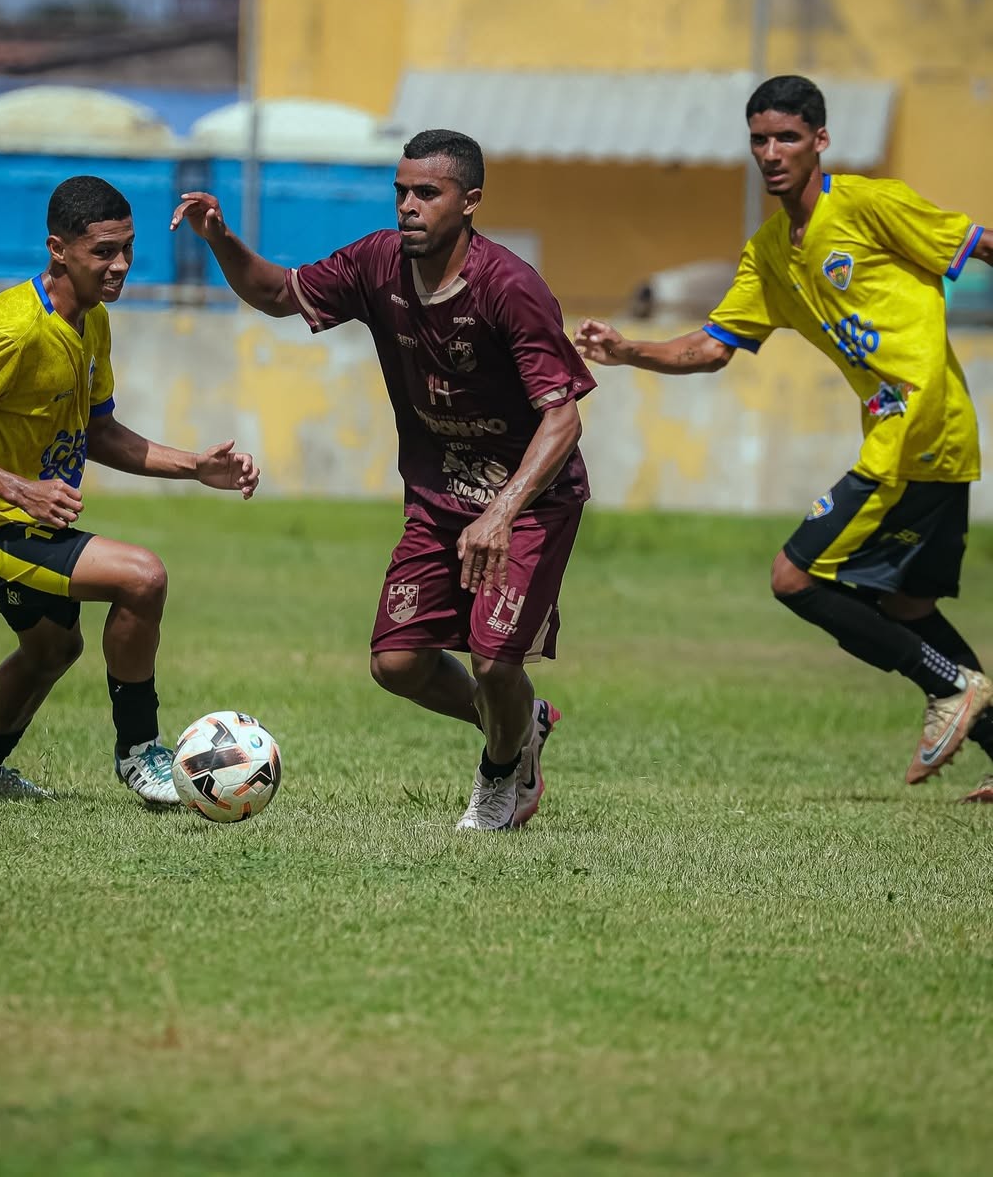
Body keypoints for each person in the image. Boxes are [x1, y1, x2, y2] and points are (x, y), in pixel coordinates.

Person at [575, 74, 993, 802]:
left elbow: (981, 244)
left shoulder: (869, 204)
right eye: (760, 140)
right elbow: (712, 347)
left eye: (788, 138)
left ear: (820, 141)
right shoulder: (770, 251)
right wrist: (628, 349)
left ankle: (948, 685)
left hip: (916, 431)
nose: (772, 153)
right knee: (907, 607)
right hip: (932, 441)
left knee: (794, 578)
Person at [171, 129, 594, 830]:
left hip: (529, 505)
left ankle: (500, 778)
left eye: (427, 192)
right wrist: (221, 238)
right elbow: (276, 292)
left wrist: (500, 513)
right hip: (437, 500)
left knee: (494, 664)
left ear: (470, 201)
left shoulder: (511, 288)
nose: (408, 206)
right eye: (401, 191)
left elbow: (563, 419)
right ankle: (520, 726)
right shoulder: (376, 263)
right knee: (396, 663)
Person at [0, 175, 259, 806]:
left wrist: (194, 466)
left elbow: (99, 432)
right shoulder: (13, 329)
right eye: (103, 251)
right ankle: (141, 755)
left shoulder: (92, 319)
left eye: (127, 248)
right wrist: (22, 491)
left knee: (52, 649)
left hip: (22, 519)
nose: (120, 264)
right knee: (141, 578)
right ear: (58, 249)